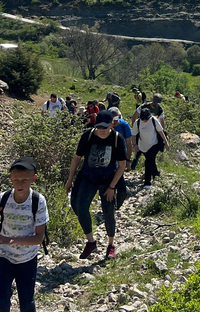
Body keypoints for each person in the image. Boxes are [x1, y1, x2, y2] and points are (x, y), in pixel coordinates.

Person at [0, 157, 49, 312]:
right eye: (15, 179)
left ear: (33, 179)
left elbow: (38, 239)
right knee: (1, 299)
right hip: (4, 258)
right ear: (10, 179)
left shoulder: (38, 201)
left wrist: (10, 240)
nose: (19, 183)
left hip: (27, 259)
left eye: (24, 179)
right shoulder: (3, 198)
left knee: (27, 301)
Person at [65, 110, 127, 259]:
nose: (102, 131)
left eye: (105, 128)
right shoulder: (88, 136)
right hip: (88, 177)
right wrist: (70, 178)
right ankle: (91, 242)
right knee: (80, 206)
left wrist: (112, 187)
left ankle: (111, 244)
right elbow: (77, 157)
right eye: (99, 127)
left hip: (108, 179)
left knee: (108, 211)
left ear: (111, 125)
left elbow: (122, 165)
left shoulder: (117, 139)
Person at [131, 107, 169, 189]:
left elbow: (160, 131)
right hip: (142, 146)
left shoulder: (153, 120)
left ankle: (147, 183)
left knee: (148, 161)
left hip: (154, 145)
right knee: (151, 161)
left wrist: (165, 142)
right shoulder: (137, 123)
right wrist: (135, 145)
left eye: (146, 119)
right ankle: (156, 174)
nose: (144, 121)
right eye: (143, 119)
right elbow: (133, 135)